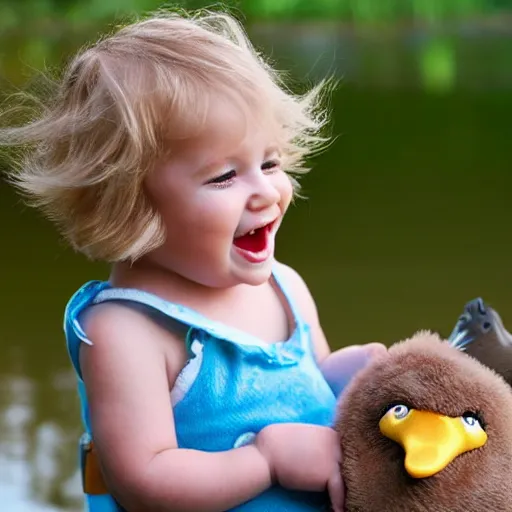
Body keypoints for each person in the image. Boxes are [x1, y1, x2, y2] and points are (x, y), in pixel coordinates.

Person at [0, 8, 386, 512]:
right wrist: (265, 460)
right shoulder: (126, 330)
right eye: (225, 176)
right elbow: (144, 480)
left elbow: (307, 379)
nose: (266, 191)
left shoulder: (282, 287)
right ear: (130, 202)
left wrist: (357, 375)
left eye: (270, 162)